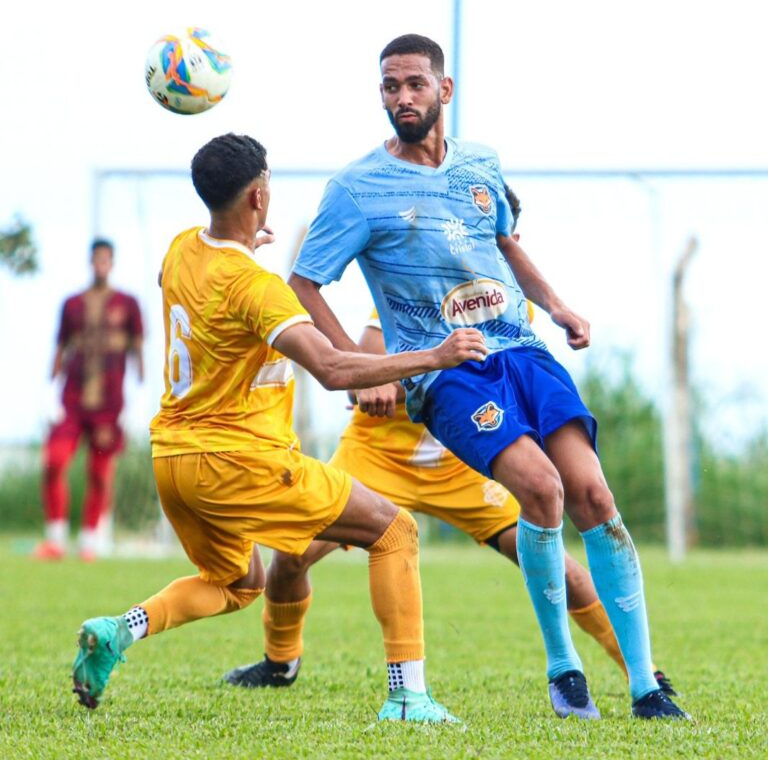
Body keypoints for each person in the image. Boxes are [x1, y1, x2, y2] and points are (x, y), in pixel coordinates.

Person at [286, 35, 689, 720]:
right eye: (390, 86)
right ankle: (564, 669)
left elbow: (505, 243)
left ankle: (646, 689)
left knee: (593, 493)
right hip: (450, 371)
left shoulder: (481, 163)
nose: (402, 97)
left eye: (415, 83)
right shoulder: (355, 189)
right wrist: (361, 367)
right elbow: (303, 282)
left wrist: (557, 306)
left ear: (444, 90)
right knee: (541, 488)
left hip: (523, 350)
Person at [70, 132, 489, 723]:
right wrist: (435, 356)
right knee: (394, 530)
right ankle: (407, 697)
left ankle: (119, 630)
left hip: (173, 461)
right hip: (238, 460)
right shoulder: (258, 289)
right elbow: (333, 369)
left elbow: (191, 285)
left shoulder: (182, 249)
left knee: (238, 583)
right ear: (258, 197)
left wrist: (240, 245)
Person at [227, 188, 675, 699]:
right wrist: (380, 382)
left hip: (462, 462)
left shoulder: (513, 315)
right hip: (379, 452)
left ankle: (643, 672)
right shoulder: (412, 289)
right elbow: (370, 361)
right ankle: (280, 661)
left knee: (558, 561)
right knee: (292, 554)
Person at [34, 238, 144, 561]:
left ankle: (89, 542)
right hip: (72, 400)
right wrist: (48, 395)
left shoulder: (128, 304)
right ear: (90, 262)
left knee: (100, 473)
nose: (101, 265)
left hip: (110, 405)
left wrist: (135, 402)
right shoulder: (72, 305)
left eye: (106, 259)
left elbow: (138, 353)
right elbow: (60, 348)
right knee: (54, 462)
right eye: (96, 259)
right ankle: (55, 539)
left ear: (112, 263)